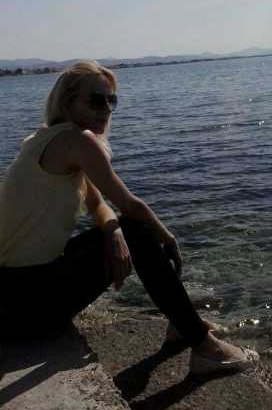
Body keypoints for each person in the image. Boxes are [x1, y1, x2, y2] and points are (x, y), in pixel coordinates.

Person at [0, 61, 258, 374]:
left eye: (112, 100)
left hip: (14, 294)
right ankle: (204, 347)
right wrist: (169, 239)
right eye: (96, 100)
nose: (106, 109)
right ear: (68, 103)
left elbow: (99, 205)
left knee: (129, 230)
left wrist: (113, 232)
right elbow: (130, 205)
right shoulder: (76, 142)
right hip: (24, 305)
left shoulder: (46, 139)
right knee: (140, 230)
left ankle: (182, 323)